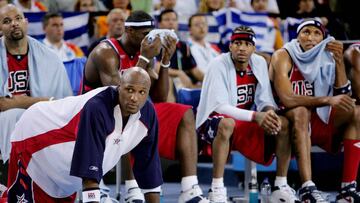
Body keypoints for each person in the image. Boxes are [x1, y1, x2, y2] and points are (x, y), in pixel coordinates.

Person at [83, 10, 208, 203]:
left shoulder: (145, 52)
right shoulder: (105, 52)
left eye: (151, 34)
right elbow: (120, 96)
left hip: (134, 109)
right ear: (130, 31)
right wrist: (145, 60)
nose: (149, 39)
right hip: (98, 113)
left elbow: (159, 95)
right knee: (128, 114)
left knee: (184, 113)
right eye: (145, 35)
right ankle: (132, 188)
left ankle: (189, 188)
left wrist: (165, 61)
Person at [6, 67, 162, 203]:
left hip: (64, 172)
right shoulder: (97, 108)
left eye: (141, 92)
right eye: (129, 89)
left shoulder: (148, 115)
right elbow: (90, 177)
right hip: (34, 139)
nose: (134, 98)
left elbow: (149, 170)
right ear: (119, 86)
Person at [196, 25, 297, 203]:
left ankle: (280, 186)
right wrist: (256, 116)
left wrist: (269, 112)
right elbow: (220, 107)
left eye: (246, 44)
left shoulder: (258, 62)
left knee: (283, 123)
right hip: (211, 120)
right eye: (237, 43)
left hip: (244, 119)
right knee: (227, 123)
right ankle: (217, 188)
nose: (241, 48)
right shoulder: (218, 64)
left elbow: (264, 98)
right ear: (230, 46)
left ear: (253, 48)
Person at [270, 19, 360, 202]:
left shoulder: (326, 56)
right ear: (298, 36)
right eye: (306, 32)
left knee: (357, 112)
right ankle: (307, 187)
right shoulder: (283, 55)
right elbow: (287, 99)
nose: (311, 37)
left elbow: (343, 94)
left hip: (320, 119)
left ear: (323, 38)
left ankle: (348, 188)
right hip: (289, 122)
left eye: (316, 33)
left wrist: (339, 62)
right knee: (302, 111)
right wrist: (327, 99)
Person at [0, 4, 72, 164]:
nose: (14, 23)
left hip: (41, 119)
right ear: (0, 28)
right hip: (5, 122)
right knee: (13, 115)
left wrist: (19, 102)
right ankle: (8, 175)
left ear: (26, 22)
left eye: (18, 18)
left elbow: (62, 104)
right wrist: (37, 102)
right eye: (7, 21)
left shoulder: (50, 57)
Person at [157, 9, 204, 102]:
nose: (171, 22)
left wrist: (210, 79)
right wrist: (179, 73)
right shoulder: (155, 43)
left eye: (174, 20)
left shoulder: (183, 46)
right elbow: (156, 67)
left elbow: (194, 69)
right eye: (167, 20)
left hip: (183, 80)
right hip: (163, 80)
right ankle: (172, 111)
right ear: (160, 24)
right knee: (169, 79)